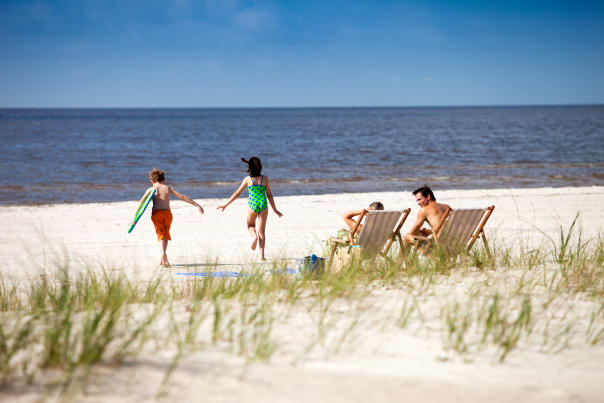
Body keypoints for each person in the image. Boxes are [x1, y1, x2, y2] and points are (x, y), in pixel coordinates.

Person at [134, 168, 204, 267]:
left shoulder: (151, 189)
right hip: (167, 214)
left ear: (152, 181)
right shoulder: (168, 188)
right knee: (165, 234)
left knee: (161, 234)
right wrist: (196, 205)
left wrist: (135, 218)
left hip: (156, 214)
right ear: (164, 179)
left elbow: (142, 202)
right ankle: (162, 258)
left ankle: (163, 254)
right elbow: (182, 197)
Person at [217, 157, 283, 261]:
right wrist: (275, 210)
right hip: (263, 204)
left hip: (252, 204)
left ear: (249, 167)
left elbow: (237, 193)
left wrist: (226, 204)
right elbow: (269, 195)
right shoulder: (265, 179)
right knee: (261, 231)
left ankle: (254, 237)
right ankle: (262, 256)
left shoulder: (248, 179)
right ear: (260, 166)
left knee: (250, 225)